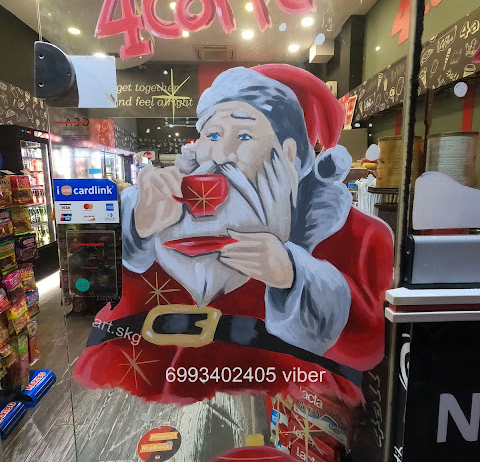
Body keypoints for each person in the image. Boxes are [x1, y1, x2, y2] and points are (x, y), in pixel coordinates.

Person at [74, 65, 393, 405]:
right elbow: (90, 287)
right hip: (153, 404)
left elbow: (367, 347)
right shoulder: (160, 215)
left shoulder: (359, 235)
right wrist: (135, 227)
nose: (220, 154)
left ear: (288, 153)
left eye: (243, 137)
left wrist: (292, 275)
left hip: (286, 409)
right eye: (212, 136)